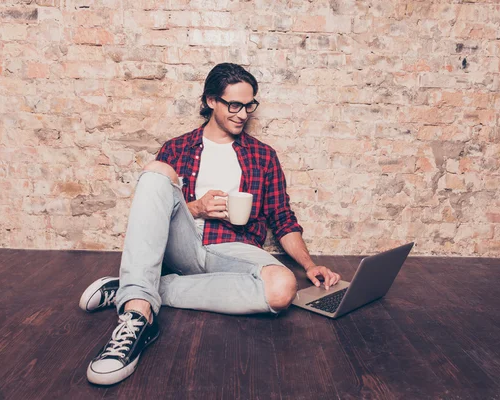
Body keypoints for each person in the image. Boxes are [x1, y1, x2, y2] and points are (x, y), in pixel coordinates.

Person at [78, 63, 342, 386]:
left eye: (249, 105)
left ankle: (139, 288)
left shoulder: (263, 156)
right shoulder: (177, 149)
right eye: (234, 105)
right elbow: (158, 214)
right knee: (156, 172)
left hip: (235, 250)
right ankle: (137, 313)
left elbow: (283, 219)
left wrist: (310, 264)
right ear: (211, 101)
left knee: (282, 288)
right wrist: (196, 208)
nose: (243, 114)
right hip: (185, 246)